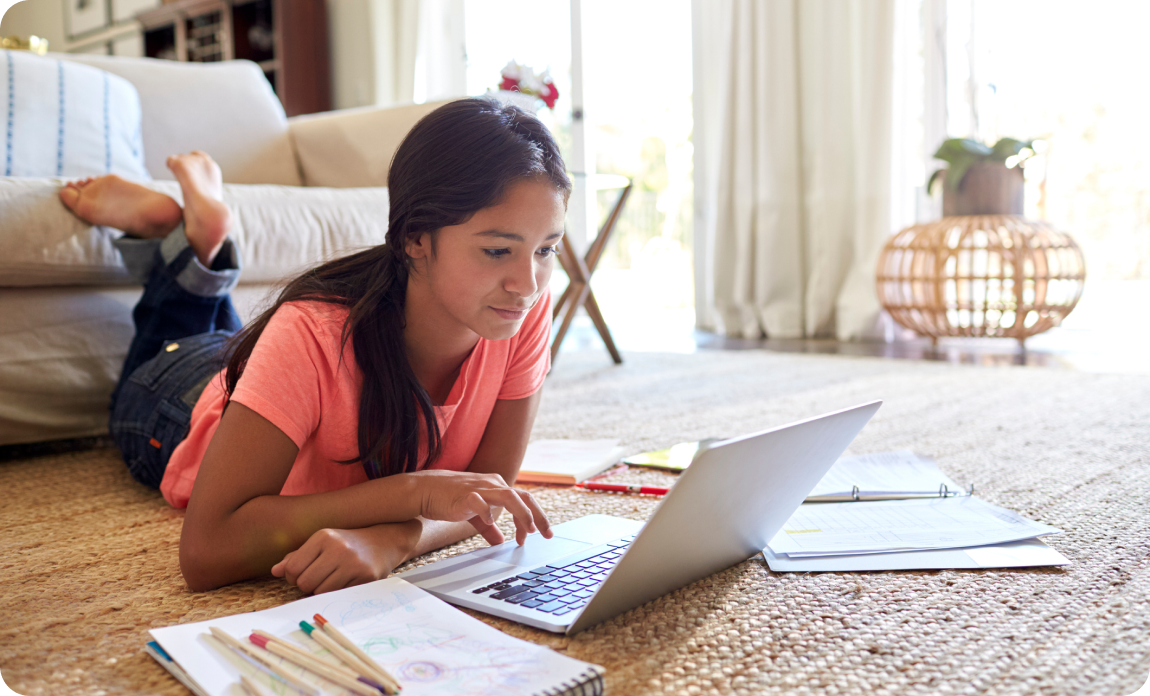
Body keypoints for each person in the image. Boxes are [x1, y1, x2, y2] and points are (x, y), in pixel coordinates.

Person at [58, 98, 566, 594]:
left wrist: (395, 538)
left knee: (230, 334)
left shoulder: (522, 307)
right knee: (175, 343)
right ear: (416, 238)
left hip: (264, 367)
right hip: (177, 401)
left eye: (546, 249)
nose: (527, 282)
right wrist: (414, 492)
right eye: (497, 250)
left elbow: (488, 493)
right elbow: (206, 551)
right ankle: (184, 239)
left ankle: (194, 239)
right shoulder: (310, 330)